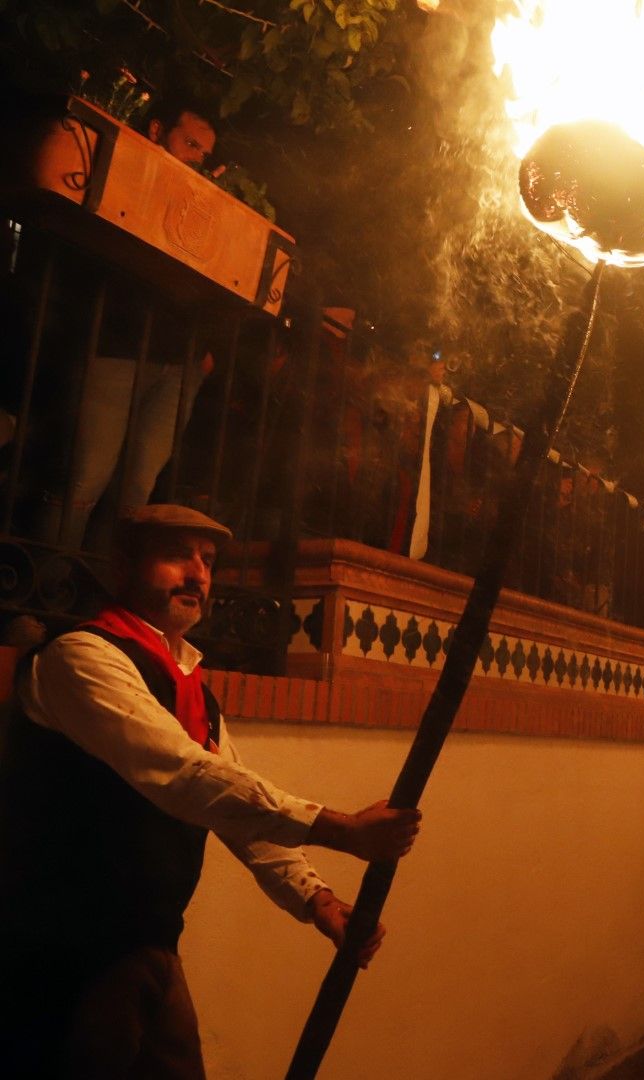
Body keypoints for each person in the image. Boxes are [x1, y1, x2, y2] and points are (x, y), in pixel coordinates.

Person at [0, 504, 423, 1077]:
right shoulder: (82, 657)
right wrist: (342, 829)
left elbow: (231, 806)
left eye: (208, 561)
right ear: (123, 566)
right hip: (62, 955)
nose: (198, 574)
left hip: (149, 946)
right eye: (177, 555)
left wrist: (318, 902)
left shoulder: (190, 685)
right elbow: (184, 777)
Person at [35, 99, 222, 549]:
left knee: (136, 495)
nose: (197, 157)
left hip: (178, 362)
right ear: (158, 130)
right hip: (115, 347)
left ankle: (102, 595)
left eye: (204, 152)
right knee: (86, 480)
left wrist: (203, 352)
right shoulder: (126, 173)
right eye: (190, 143)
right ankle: (43, 596)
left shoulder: (202, 206)